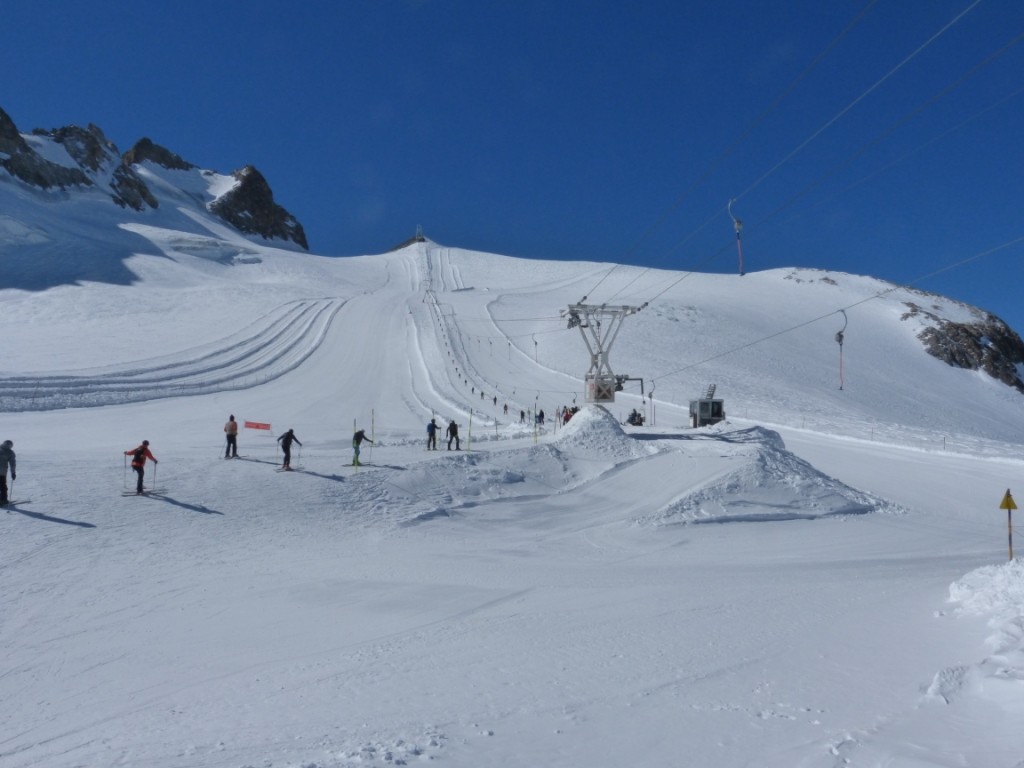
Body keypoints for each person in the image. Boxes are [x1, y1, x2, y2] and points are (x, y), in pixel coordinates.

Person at [0, 439, 16, 505]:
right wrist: (13, 473)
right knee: (3, 486)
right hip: (2, 472)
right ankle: (3, 500)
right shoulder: (10, 452)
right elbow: (12, 464)